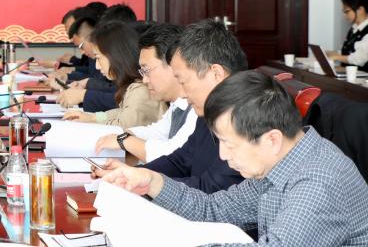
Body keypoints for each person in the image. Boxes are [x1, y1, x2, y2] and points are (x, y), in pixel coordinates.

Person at [103, 70, 368, 247]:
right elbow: (214, 209)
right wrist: (151, 181)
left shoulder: (318, 182)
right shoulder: (281, 162)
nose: (222, 155)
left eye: (229, 144)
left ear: (272, 139)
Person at [93, 19, 245, 194]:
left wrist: (148, 183)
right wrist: (135, 174)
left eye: (184, 81)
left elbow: (210, 190)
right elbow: (180, 161)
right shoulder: (209, 113)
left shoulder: (245, 118)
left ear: (216, 74)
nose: (182, 95)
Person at [94, 23, 196, 162]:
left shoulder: (197, 107)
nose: (145, 80)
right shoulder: (178, 104)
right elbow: (158, 131)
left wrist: (125, 140)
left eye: (147, 70)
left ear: (174, 64)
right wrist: (124, 136)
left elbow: (174, 154)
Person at [63, 21, 164, 128]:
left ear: (115, 55)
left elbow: (122, 127)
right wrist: (93, 117)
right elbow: (119, 112)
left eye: (98, 58)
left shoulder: (141, 90)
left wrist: (92, 120)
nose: (97, 66)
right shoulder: (132, 86)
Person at [328, 0, 368, 68]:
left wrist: (336, 57)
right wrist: (330, 53)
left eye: (347, 11)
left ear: (360, 9)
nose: (345, 15)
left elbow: (360, 59)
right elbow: (347, 52)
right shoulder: (354, 28)